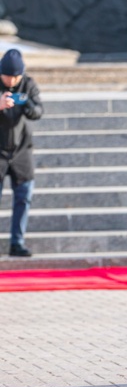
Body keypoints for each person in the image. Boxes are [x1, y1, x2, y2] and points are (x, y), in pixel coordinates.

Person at [0, 49, 43, 258]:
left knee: (23, 197)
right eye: (8, 76)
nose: (12, 80)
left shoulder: (28, 84)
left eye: (16, 76)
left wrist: (26, 103)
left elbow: (38, 112)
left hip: (21, 151)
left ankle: (17, 243)